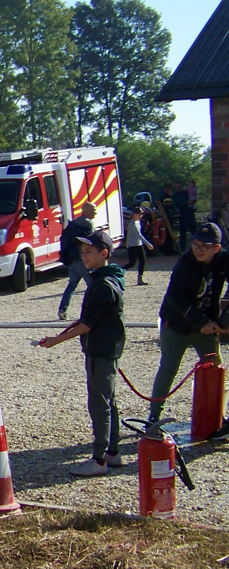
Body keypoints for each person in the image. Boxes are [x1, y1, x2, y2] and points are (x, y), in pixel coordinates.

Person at [38, 231, 126, 477]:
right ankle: (113, 452)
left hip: (101, 351)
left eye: (89, 252)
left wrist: (56, 340)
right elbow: (93, 318)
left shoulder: (102, 285)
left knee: (100, 404)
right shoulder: (110, 279)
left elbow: (88, 324)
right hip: (107, 348)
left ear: (104, 253)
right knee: (110, 401)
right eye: (82, 252)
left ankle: (99, 460)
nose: (83, 256)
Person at [146, 221, 229, 426]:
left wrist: (223, 321)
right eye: (195, 244)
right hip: (176, 324)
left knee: (214, 368)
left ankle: (216, 415)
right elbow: (175, 298)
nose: (198, 250)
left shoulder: (225, 260)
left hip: (207, 324)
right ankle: (154, 415)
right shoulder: (185, 262)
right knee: (168, 368)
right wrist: (201, 321)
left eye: (204, 246)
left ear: (216, 248)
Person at [58, 202, 97, 320]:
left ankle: (62, 310)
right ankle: (91, 311)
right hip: (81, 260)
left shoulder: (73, 223)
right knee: (93, 285)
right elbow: (90, 243)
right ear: (87, 211)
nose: (96, 213)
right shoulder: (88, 223)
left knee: (71, 286)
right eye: (94, 210)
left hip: (71, 260)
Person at [124, 206, 154, 286]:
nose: (141, 216)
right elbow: (138, 235)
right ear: (134, 214)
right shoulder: (132, 224)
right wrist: (148, 244)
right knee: (132, 263)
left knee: (142, 260)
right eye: (139, 214)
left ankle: (140, 279)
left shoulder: (138, 222)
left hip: (138, 244)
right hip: (132, 245)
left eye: (141, 214)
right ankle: (119, 271)